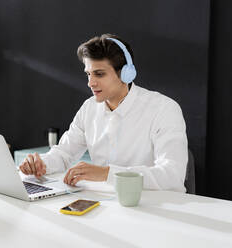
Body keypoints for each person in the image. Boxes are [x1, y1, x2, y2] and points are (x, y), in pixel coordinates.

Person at [19, 33, 188, 192]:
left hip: (155, 208)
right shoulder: (89, 108)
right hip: (105, 205)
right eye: (88, 74)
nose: (90, 83)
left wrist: (106, 174)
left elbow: (172, 175)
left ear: (126, 74)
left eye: (99, 74)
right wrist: (42, 163)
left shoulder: (163, 109)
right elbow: (64, 153)